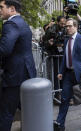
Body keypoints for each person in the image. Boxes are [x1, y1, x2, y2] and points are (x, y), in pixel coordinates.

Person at [0, 0, 36, 130]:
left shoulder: (11, 24)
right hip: (26, 72)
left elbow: (4, 49)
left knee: (6, 113)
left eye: (1, 7)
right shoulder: (22, 22)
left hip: (14, 76)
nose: (0, 10)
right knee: (27, 109)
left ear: (12, 9)